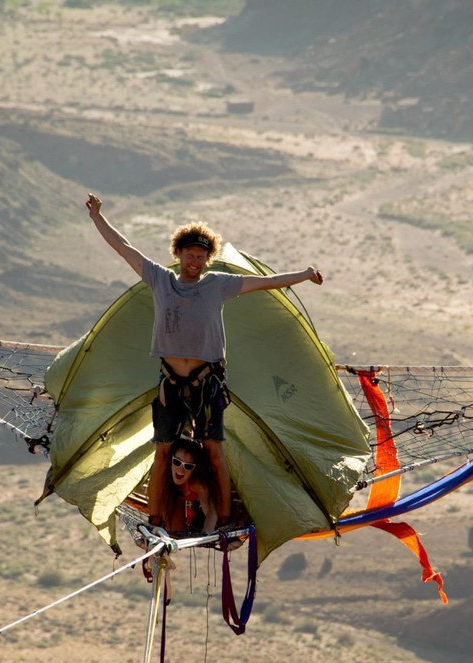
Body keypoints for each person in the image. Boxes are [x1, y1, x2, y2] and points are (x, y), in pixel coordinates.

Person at [85, 193, 324, 529]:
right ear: (178, 254)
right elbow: (123, 247)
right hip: (170, 383)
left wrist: (304, 274)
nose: (194, 261)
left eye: (200, 256)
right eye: (189, 255)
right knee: (163, 453)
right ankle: (155, 520)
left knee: (213, 451)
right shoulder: (160, 280)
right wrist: (97, 217)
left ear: (207, 259)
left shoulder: (217, 286)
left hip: (207, 383)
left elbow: (267, 283)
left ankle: (224, 520)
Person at [156, 437, 218, 535]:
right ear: (170, 460)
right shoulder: (164, 477)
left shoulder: (197, 484)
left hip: (199, 508)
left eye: (188, 466)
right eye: (177, 462)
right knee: (174, 531)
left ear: (194, 469)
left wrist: (207, 533)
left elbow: (211, 512)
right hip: (176, 498)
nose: (180, 470)